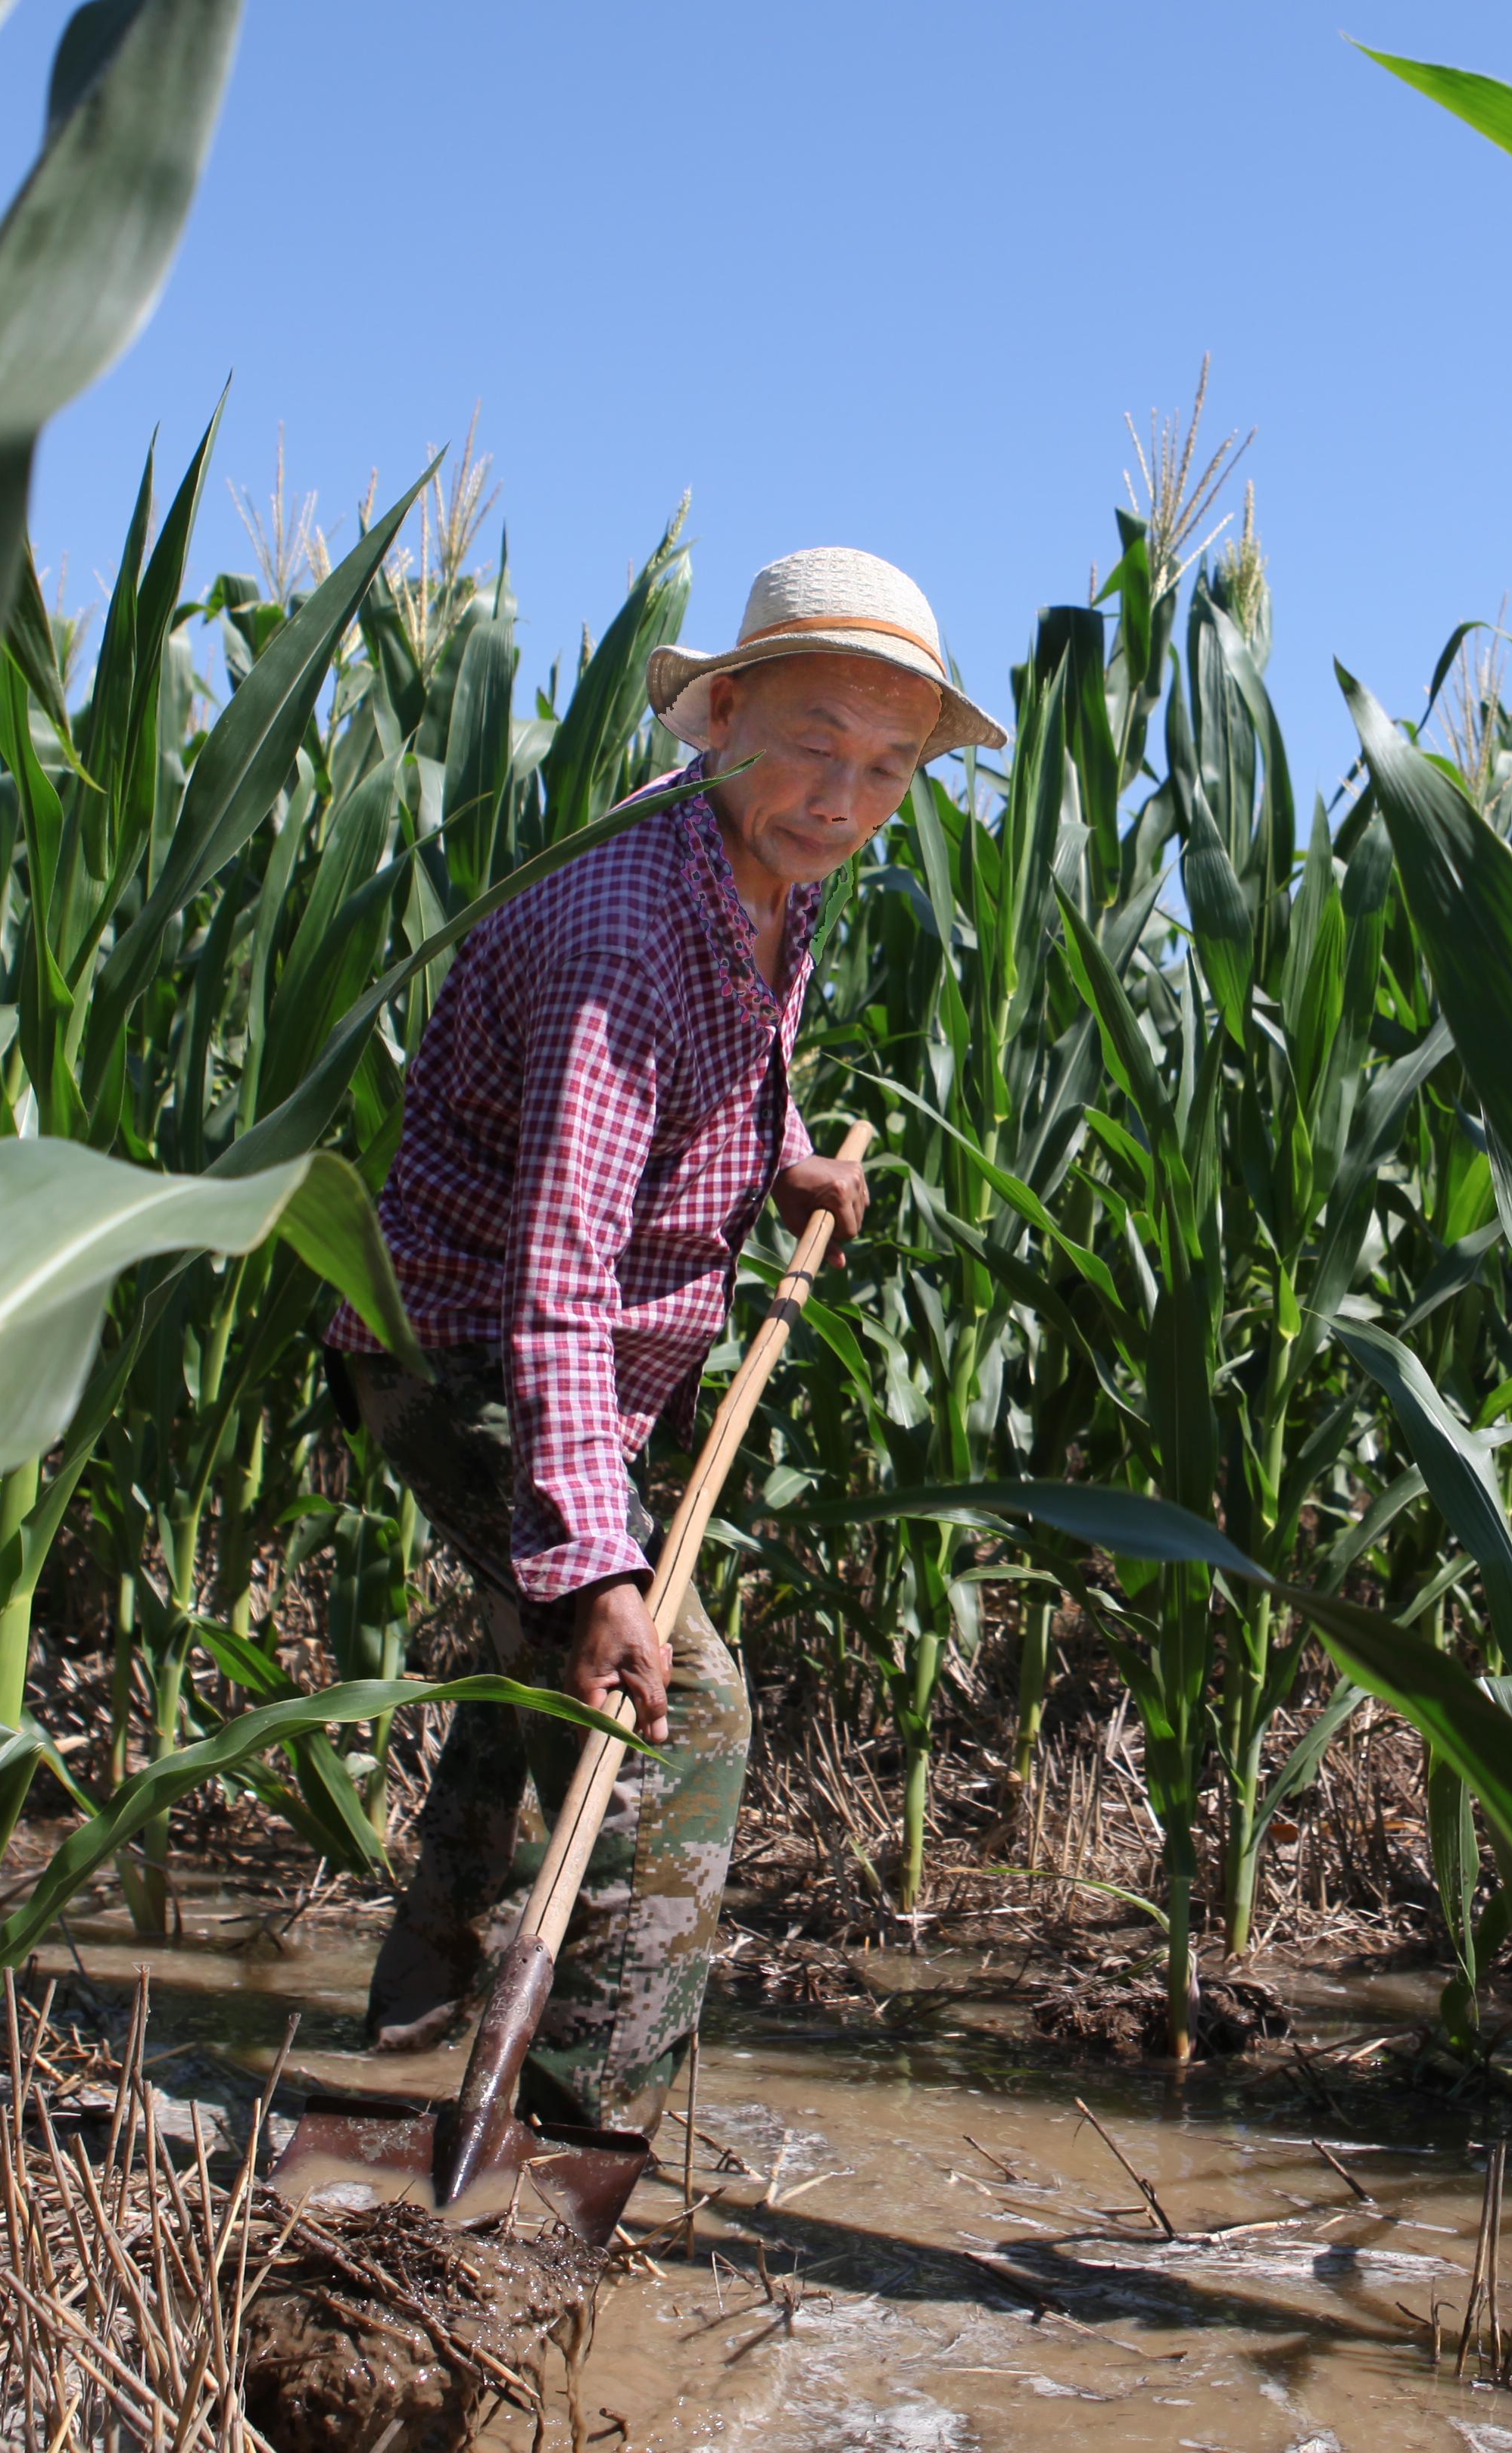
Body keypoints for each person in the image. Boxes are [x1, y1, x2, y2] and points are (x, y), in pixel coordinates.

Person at [332, 547, 1003, 2126]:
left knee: (532, 1686)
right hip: (471, 1350)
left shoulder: (769, 881)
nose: (847, 794)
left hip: (549, 1346)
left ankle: (410, 2028)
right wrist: (598, 1567)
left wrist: (784, 1165)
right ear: (718, 718)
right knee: (676, 1704)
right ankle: (581, 2126)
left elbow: (690, 1095)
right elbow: (558, 1265)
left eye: (890, 764)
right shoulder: (629, 934)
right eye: (814, 742)